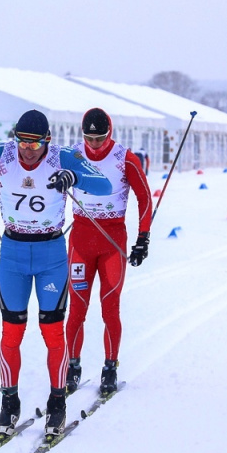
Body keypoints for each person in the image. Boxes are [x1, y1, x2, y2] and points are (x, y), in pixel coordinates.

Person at [0, 109, 111, 439]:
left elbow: (104, 185)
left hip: (51, 254)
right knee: (11, 333)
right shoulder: (0, 153)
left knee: (52, 333)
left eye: (35, 143)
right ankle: (9, 403)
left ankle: (57, 402)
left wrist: (74, 178)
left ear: (46, 141)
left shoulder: (63, 157)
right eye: (22, 141)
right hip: (13, 255)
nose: (27, 149)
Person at [64, 108, 153, 396]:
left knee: (109, 308)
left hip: (112, 242)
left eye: (100, 138)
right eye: (89, 138)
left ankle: (110, 366)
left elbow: (145, 197)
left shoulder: (125, 158)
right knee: (77, 308)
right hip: (80, 240)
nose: (94, 144)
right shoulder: (72, 155)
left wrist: (143, 238)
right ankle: (73, 367)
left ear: (109, 133)